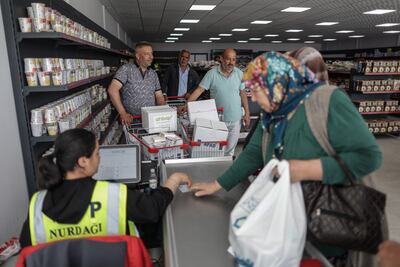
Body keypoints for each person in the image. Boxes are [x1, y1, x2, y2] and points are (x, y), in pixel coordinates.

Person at [190, 51, 382, 263]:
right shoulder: (274, 110)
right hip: (288, 222)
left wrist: (307, 169)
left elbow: (368, 156)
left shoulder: (328, 100)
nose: (252, 97)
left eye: (255, 89)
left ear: (276, 82)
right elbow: (254, 153)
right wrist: (217, 185)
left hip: (327, 225)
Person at [19, 128, 191, 248]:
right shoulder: (110, 193)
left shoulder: (37, 202)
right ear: (82, 161)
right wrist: (174, 180)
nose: (100, 159)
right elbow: (152, 209)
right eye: (97, 153)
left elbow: (28, 246)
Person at [187, 48, 250, 156]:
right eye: (228, 59)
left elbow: (242, 93)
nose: (231, 63)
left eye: (233, 60)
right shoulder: (211, 74)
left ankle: (227, 170)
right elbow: (199, 90)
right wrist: (187, 104)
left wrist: (247, 113)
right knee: (216, 151)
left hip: (236, 119)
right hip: (218, 120)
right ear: (221, 59)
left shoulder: (239, 73)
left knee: (230, 152)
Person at [108, 42, 165, 126]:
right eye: (147, 54)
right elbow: (112, 90)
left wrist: (163, 106)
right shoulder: (126, 69)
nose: (151, 57)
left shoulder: (153, 74)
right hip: (132, 122)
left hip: (151, 121)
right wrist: (123, 113)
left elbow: (159, 95)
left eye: (152, 54)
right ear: (138, 56)